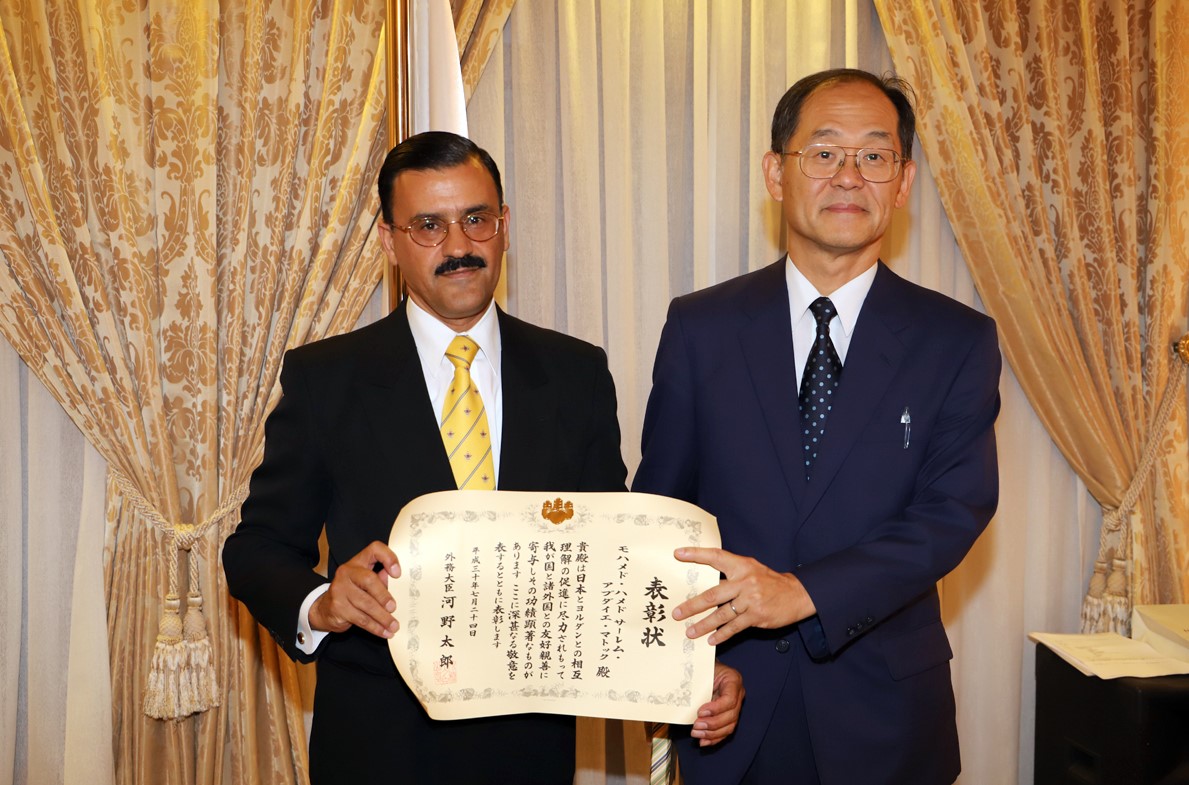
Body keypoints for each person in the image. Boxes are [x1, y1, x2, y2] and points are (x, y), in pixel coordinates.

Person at [223, 131, 741, 785]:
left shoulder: (575, 372)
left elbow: (613, 557)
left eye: (475, 219)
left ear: (502, 226)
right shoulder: (327, 378)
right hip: (377, 744)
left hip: (531, 749)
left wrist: (686, 672)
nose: (458, 246)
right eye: (428, 226)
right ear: (389, 241)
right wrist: (322, 602)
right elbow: (256, 547)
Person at [632, 70, 1001, 785]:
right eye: (824, 151)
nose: (849, 175)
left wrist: (803, 592)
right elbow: (664, 521)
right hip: (730, 707)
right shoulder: (701, 327)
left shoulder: (955, 339)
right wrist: (696, 667)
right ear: (776, 172)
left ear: (902, 183)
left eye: (874, 155)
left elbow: (951, 511)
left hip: (884, 713)